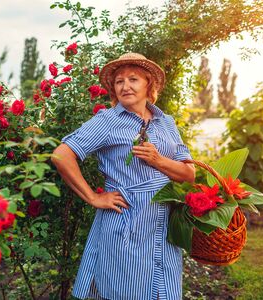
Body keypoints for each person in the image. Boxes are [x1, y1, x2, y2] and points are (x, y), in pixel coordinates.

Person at [51, 53, 196, 300]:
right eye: (119, 81)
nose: (125, 86)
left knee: (162, 291)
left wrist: (158, 160)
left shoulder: (166, 122)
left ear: (149, 84)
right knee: (126, 290)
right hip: (126, 222)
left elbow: (189, 174)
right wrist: (94, 198)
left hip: (164, 224)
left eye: (133, 79)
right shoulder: (107, 121)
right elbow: (62, 156)